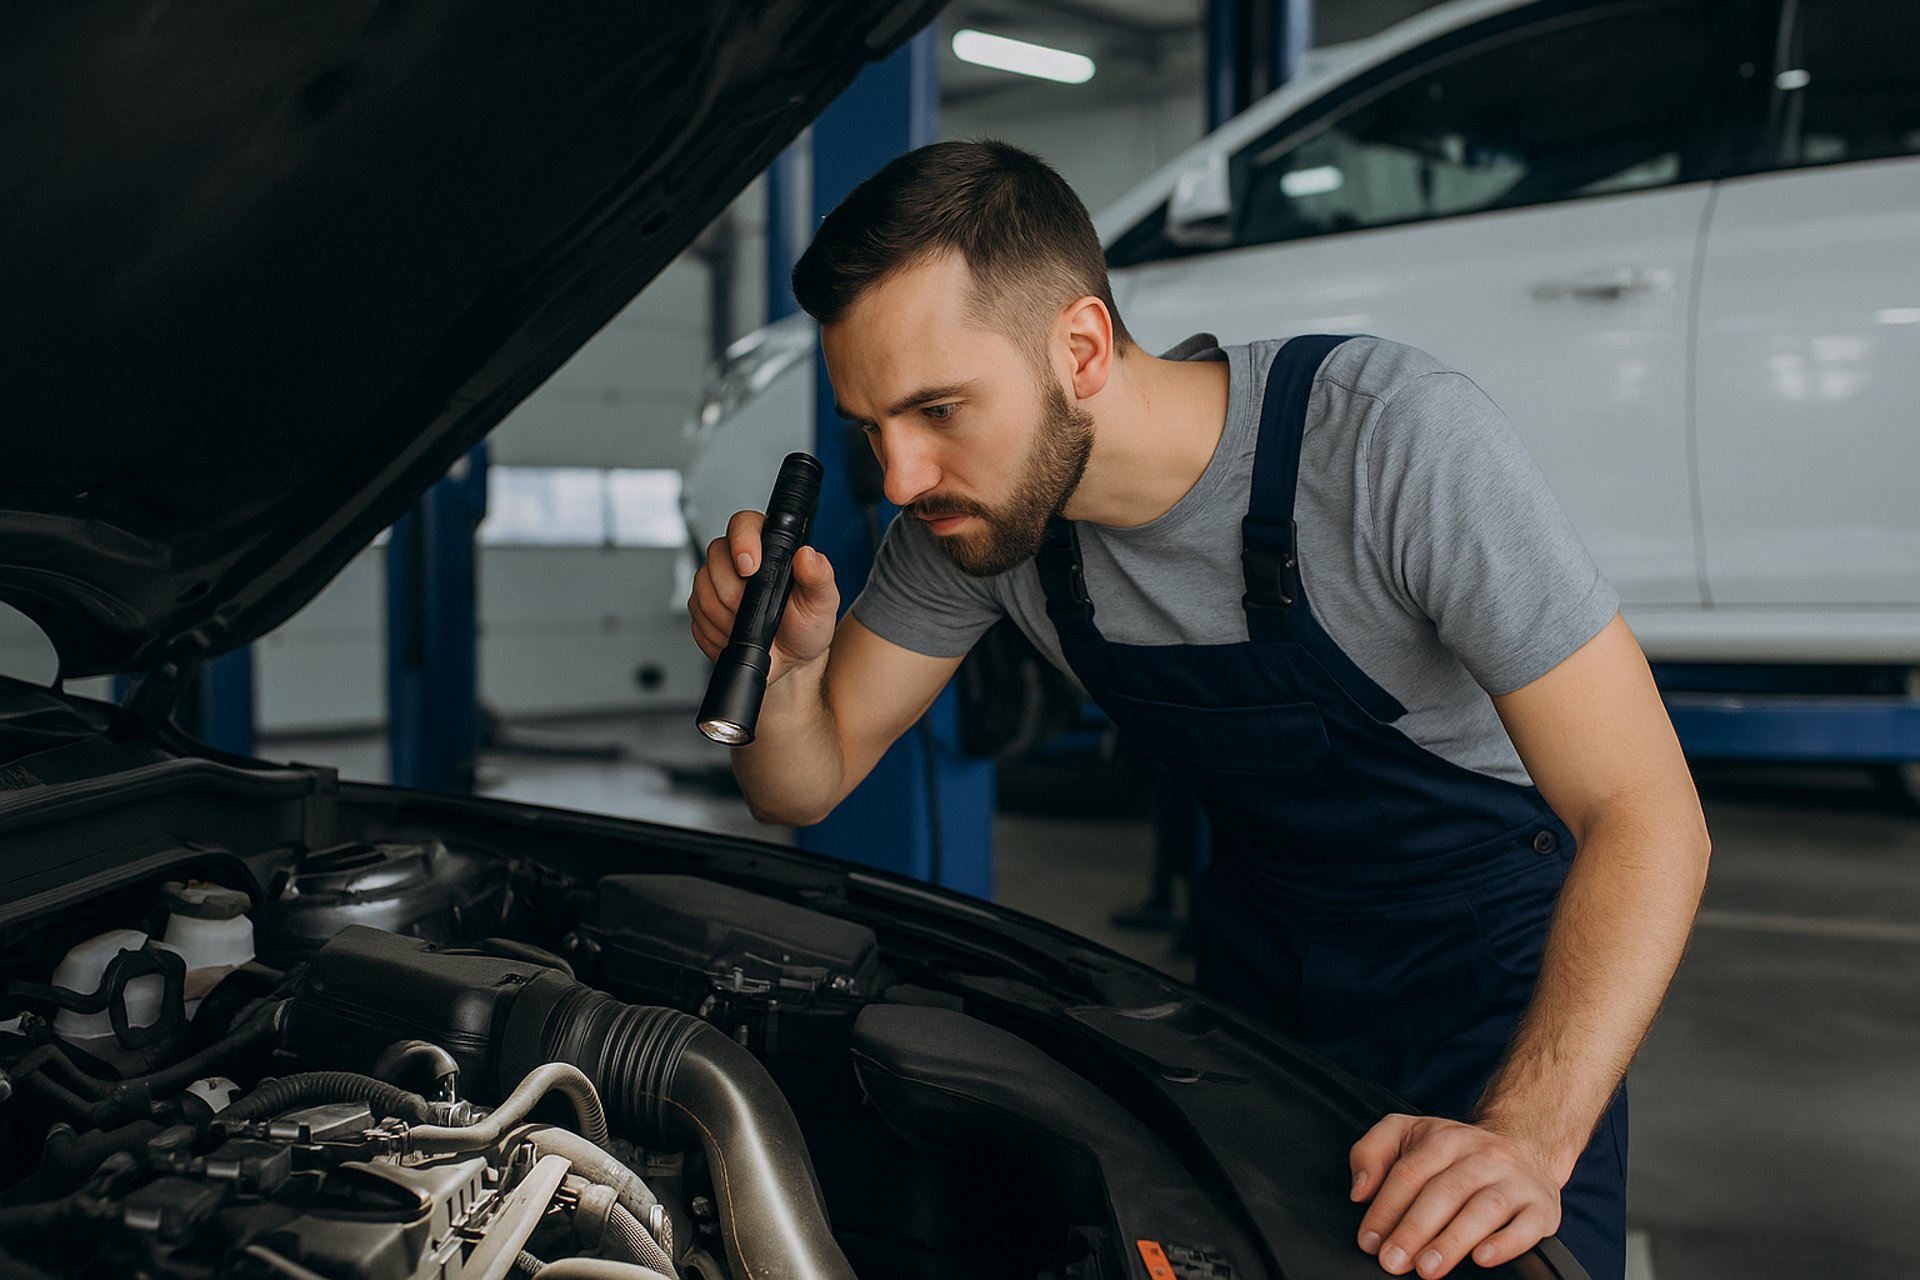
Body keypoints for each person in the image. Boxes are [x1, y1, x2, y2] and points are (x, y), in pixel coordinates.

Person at [687, 139, 1709, 1280]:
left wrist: (1527, 1132)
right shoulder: (977, 526)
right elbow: (800, 781)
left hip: (1491, 987)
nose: (903, 476)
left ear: (1078, 346)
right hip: (1257, 977)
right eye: (872, 427)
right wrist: (780, 674)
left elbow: (1648, 811)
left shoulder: (1389, 442)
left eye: (937, 409)